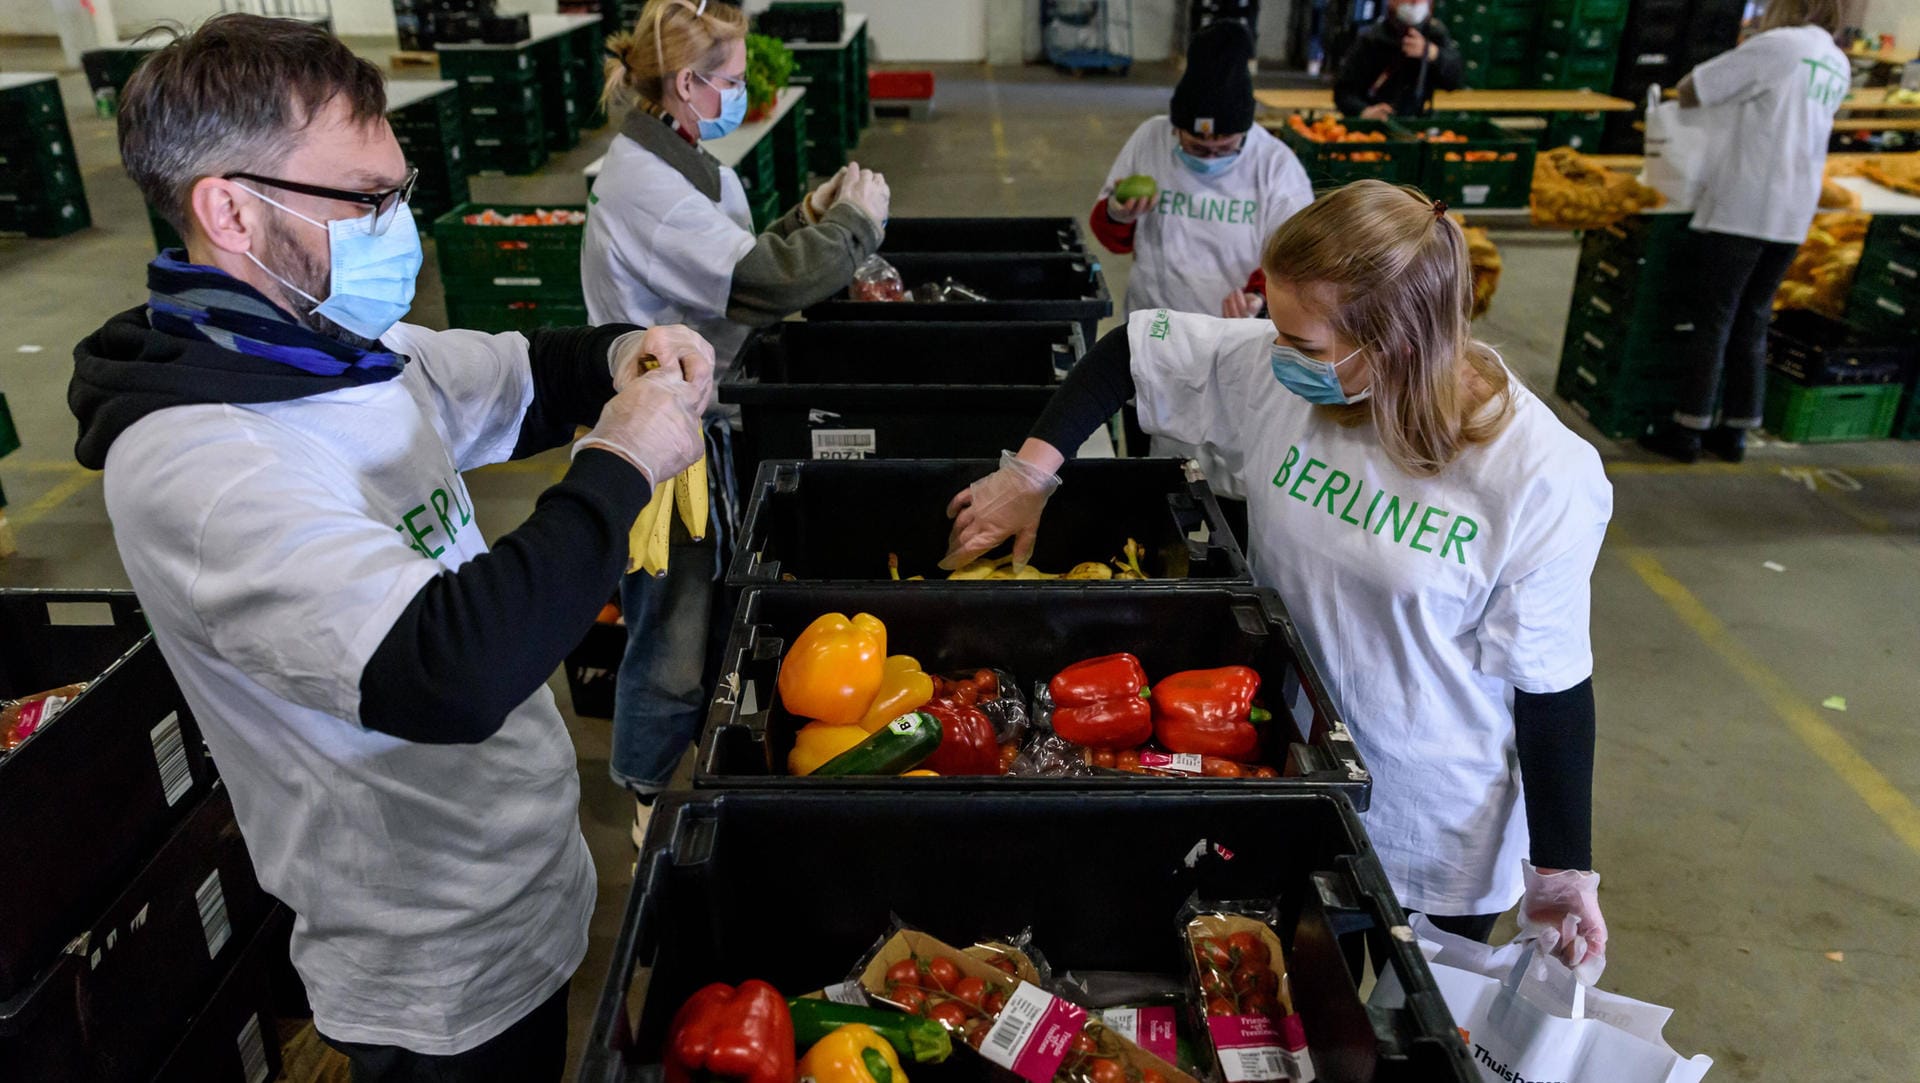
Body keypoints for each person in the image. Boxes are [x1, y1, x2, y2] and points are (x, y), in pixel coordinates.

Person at [69, 16, 711, 1081]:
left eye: (400, 192)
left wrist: (624, 356)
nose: (396, 227)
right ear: (227, 208)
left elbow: (519, 375)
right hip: (428, 958)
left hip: (521, 872)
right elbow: (446, 670)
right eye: (365, 201)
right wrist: (620, 462)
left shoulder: (343, 349)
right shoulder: (206, 465)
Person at [943, 181, 1614, 975]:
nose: (1280, 355)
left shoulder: (1539, 474)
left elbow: (1552, 689)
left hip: (1429, 829)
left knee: (1402, 1033)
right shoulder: (1282, 377)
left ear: (1397, 338)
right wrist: (1032, 475)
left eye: (1308, 345)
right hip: (1287, 777)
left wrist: (1562, 868)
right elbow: (1133, 351)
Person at [581, 0, 890, 841]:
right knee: (673, 626)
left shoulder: (686, 162)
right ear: (685, 83)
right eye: (726, 79)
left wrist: (810, 218)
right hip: (660, 433)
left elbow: (728, 271)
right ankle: (648, 795)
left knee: (701, 605)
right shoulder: (643, 184)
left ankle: (700, 761)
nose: (737, 93)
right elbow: (767, 285)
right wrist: (856, 228)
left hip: (700, 411)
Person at [1091, 21, 1313, 539]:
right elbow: (1110, 232)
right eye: (1193, 146)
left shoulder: (1276, 167)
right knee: (1153, 467)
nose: (1206, 155)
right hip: (1158, 329)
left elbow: (1299, 258)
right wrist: (1122, 210)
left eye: (1220, 149)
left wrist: (1260, 298)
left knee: (1230, 477)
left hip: (1236, 342)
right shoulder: (1149, 139)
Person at [1639, 0, 1847, 464]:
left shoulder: (1778, 45)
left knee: (1714, 318)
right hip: (1795, 211)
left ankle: (1688, 428)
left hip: (1745, 206)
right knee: (1754, 317)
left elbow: (1693, 88)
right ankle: (1737, 430)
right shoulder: (1836, 59)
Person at [1333, 1, 1463, 120]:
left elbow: (1454, 81)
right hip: (1377, 123)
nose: (1415, 3)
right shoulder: (1372, 39)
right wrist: (1364, 111)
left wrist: (1434, 55)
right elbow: (1343, 92)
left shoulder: (1435, 34)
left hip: (1418, 122)